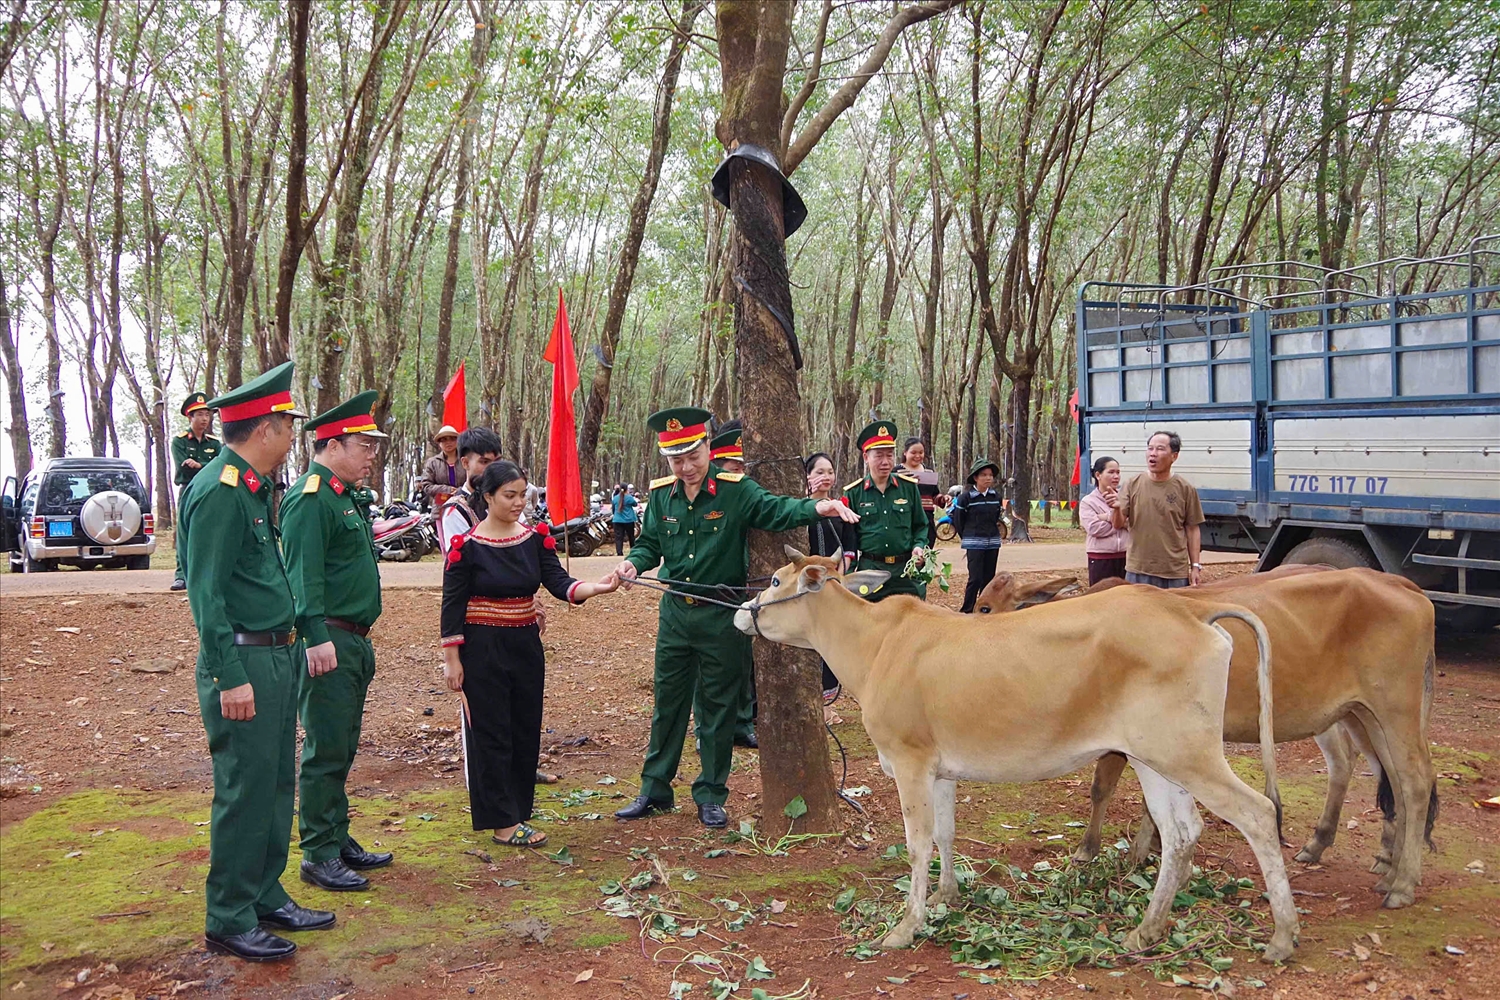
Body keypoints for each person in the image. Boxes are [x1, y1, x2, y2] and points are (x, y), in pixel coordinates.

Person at [610, 407, 858, 828]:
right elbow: (649, 543)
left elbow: (776, 510)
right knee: (668, 704)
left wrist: (820, 509)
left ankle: (710, 792)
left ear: (707, 447)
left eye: (692, 455)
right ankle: (654, 789)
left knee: (718, 708)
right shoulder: (661, 495)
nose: (685, 467)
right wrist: (633, 564)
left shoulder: (735, 491)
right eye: (676, 459)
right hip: (675, 614)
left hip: (720, 614)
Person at [178, 361, 333, 963]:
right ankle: (229, 914)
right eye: (288, 425)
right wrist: (227, 675)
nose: (293, 435)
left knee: (274, 783)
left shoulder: (250, 487)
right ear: (264, 428)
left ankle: (264, 893)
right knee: (244, 789)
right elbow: (206, 593)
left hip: (274, 656)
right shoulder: (219, 490)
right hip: (241, 660)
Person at [441, 461, 619, 847]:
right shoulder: (466, 548)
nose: (519, 502)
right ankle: (502, 823)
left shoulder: (535, 539)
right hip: (481, 650)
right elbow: (451, 607)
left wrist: (597, 588)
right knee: (491, 733)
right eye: (510, 495)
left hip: (525, 646)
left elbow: (559, 583)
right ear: (488, 497)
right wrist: (452, 660)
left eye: (523, 495)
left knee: (523, 728)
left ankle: (518, 810)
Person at [280, 390, 391, 894]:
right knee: (325, 747)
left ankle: (336, 834)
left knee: (343, 743)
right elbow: (302, 577)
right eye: (363, 444)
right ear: (332, 443)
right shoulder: (309, 498)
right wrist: (314, 636)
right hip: (329, 641)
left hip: (354, 641)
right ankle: (318, 852)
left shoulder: (342, 497)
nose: (372, 454)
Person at [844, 421, 929, 601]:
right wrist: (850, 575)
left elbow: (921, 525)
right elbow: (848, 538)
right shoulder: (854, 493)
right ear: (866, 457)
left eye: (890, 455)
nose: (885, 461)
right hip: (871, 571)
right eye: (879, 456)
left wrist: (918, 546)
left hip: (906, 572)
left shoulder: (909, 488)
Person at [1110, 430, 1204, 588]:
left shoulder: (1185, 488)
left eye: (1160, 449)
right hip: (1138, 569)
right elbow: (1117, 524)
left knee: (1173, 612)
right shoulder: (1132, 484)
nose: (1153, 454)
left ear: (1174, 456)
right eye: (1150, 448)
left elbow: (1193, 529)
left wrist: (1195, 566)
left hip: (1174, 572)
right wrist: (1116, 509)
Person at [805, 452, 855, 700]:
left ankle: (828, 702)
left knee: (832, 640)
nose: (826, 477)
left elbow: (850, 548)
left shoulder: (841, 508)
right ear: (808, 476)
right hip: (807, 588)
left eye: (830, 472)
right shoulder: (800, 510)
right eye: (819, 472)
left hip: (834, 587)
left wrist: (838, 577)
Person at [170, 393, 222, 591]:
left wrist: (199, 465)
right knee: (186, 531)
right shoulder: (180, 441)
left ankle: (208, 575)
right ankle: (181, 575)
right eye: (199, 415)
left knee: (211, 530)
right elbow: (182, 468)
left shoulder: (214, 443)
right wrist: (204, 467)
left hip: (210, 491)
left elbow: (220, 465)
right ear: (190, 417)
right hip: (188, 489)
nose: (204, 419)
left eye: (207, 415)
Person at [950, 459, 1004, 613]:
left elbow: (996, 518)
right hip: (973, 542)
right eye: (984, 475)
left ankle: (985, 608)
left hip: (993, 542)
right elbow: (958, 519)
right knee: (975, 579)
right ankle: (967, 609)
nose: (988, 478)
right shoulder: (965, 498)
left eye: (990, 475)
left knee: (989, 579)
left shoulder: (996, 497)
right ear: (975, 478)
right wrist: (967, 537)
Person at [436, 427, 502, 551]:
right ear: (465, 463)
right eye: (484, 462)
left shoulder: (507, 500)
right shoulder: (456, 510)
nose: (494, 469)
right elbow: (462, 562)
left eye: (497, 461)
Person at [1081, 456, 1130, 585]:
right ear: (1098, 475)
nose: (1116, 476)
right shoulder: (1088, 502)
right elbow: (1095, 528)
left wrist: (1106, 517)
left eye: (1118, 472)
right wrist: (1119, 521)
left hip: (1127, 558)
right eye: (1111, 472)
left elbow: (1135, 525)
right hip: (1100, 558)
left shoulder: (1125, 499)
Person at [900, 437, 941, 547]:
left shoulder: (928, 472)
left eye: (921, 453)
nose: (918, 456)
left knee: (926, 554)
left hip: (927, 519)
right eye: (913, 452)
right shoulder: (897, 472)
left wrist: (943, 498)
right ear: (905, 453)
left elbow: (934, 495)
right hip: (904, 519)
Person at [419, 425, 462, 505]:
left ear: (457, 441)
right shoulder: (433, 463)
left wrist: (460, 491)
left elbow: (475, 481)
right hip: (440, 507)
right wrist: (447, 490)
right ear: (439, 443)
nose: (448, 442)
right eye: (444, 440)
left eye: (452, 439)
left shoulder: (466, 460)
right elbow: (426, 485)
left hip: (465, 505)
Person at [611, 483, 639, 555]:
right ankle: (633, 552)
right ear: (627, 489)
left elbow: (613, 509)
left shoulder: (615, 498)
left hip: (617, 520)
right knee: (631, 536)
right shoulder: (629, 497)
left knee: (618, 538)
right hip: (628, 520)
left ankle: (619, 553)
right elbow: (635, 504)